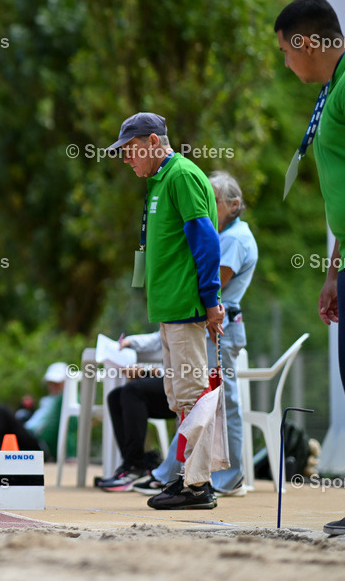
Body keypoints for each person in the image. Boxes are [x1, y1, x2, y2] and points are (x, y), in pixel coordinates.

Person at [275, 0, 345, 536]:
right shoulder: (332, 89)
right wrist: (332, 271)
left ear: (307, 42)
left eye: (285, 51)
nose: (285, 62)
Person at [105, 173, 259, 496]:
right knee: (204, 400)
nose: (207, 205)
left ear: (233, 205)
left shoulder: (234, 238)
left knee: (217, 402)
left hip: (219, 327)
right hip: (215, 325)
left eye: (214, 201)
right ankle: (177, 472)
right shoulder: (226, 234)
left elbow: (213, 287)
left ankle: (223, 477)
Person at [108, 112, 224, 509]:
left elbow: (206, 241)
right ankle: (186, 478)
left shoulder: (182, 176)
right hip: (170, 308)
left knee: (192, 396)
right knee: (179, 399)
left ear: (153, 142)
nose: (126, 158)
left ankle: (199, 486)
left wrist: (211, 300)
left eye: (130, 149)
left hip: (186, 307)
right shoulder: (160, 180)